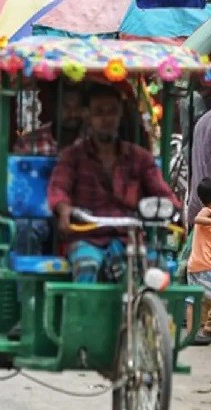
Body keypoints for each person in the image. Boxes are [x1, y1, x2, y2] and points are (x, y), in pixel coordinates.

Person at [47, 83, 180, 283]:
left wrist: (176, 211)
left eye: (112, 112)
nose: (106, 118)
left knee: (157, 267)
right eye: (99, 112)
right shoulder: (72, 156)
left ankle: (152, 312)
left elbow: (161, 191)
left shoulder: (139, 157)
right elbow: (59, 187)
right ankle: (84, 315)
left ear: (120, 115)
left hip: (130, 236)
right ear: (87, 116)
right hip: (89, 237)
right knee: (86, 266)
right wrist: (63, 208)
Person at [13, 86, 84, 256]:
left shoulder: (93, 142)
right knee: (26, 229)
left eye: (77, 107)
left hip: (79, 211)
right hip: (37, 214)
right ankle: (28, 282)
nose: (72, 113)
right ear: (53, 108)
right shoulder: (29, 142)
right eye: (66, 107)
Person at [186, 176, 211, 346]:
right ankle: (200, 331)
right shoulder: (207, 210)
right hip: (204, 264)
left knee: (194, 300)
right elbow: (197, 219)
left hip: (197, 264)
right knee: (197, 299)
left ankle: (194, 333)